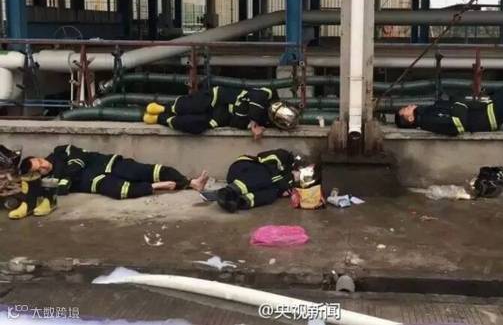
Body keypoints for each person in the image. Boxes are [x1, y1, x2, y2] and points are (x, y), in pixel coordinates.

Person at [12, 144, 209, 216]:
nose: (44, 166)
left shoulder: (60, 151)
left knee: (151, 170)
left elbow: (78, 160)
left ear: (40, 157)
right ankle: (156, 187)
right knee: (119, 190)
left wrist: (65, 179)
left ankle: (191, 183)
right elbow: (59, 191)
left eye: (40, 162)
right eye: (39, 170)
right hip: (96, 181)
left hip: (109, 164)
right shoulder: (49, 181)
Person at [394, 81, 503, 136]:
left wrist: (460, 101)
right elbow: (457, 125)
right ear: (410, 119)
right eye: (405, 110)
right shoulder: (427, 120)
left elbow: (456, 108)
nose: (408, 106)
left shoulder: (427, 112)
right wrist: (459, 101)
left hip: (485, 108)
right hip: (486, 119)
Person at [142, 85, 300, 138]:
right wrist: (253, 122)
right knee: (194, 105)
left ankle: (160, 119)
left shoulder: (265, 123)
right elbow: (257, 96)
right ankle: (163, 108)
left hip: (220, 117)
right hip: (219, 97)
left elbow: (238, 122)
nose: (275, 110)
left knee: (195, 125)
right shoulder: (270, 93)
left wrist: (251, 125)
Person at [216, 149, 316, 213]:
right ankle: (227, 192)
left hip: (251, 183)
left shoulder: (289, 178)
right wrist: (285, 185)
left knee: (272, 192)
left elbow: (279, 188)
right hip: (242, 168)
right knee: (267, 173)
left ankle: (240, 202)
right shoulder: (282, 155)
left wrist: (285, 189)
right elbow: (268, 165)